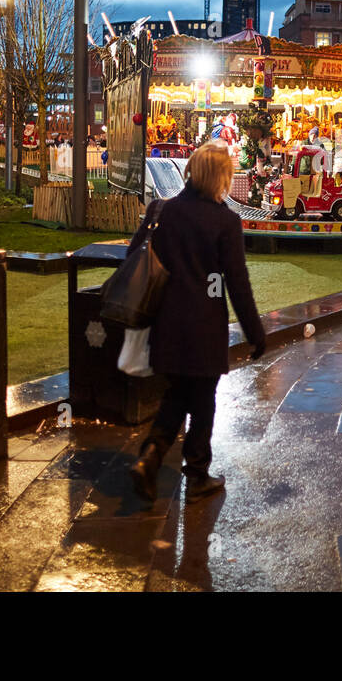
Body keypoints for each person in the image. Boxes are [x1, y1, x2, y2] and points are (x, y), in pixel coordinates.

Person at [129, 141, 266, 504]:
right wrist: (255, 333)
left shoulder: (162, 210)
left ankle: (151, 456)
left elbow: (134, 254)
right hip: (204, 324)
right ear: (220, 177)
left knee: (177, 392)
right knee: (202, 399)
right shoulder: (225, 221)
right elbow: (237, 282)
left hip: (166, 322)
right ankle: (197, 471)